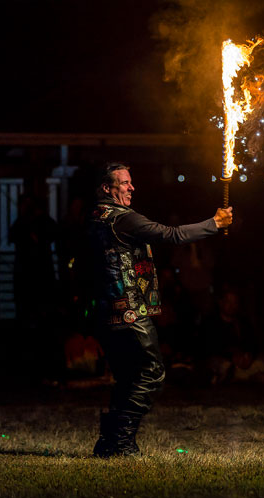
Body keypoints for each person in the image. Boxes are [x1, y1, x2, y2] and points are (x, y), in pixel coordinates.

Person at [87, 162, 232, 457]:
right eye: (124, 183)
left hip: (105, 312)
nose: (132, 187)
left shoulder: (94, 217)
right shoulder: (122, 219)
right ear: (107, 188)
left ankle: (108, 443)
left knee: (128, 377)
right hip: (129, 311)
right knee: (151, 374)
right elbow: (171, 234)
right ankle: (122, 442)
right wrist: (214, 224)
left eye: (131, 182)